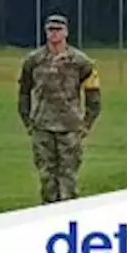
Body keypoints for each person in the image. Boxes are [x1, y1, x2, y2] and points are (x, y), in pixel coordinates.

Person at [18, 14, 101, 203]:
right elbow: (24, 91)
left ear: (66, 32)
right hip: (42, 126)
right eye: (50, 30)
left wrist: (86, 124)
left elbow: (93, 96)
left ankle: (67, 219)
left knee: (68, 177)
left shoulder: (81, 62)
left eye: (58, 30)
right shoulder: (34, 60)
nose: (54, 34)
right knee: (47, 177)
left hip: (69, 126)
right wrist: (27, 121)